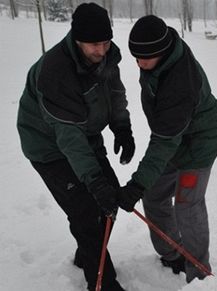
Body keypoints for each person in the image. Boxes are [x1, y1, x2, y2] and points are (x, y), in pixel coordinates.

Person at [17, 3, 134, 291]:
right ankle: (102, 282)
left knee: (110, 202)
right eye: (94, 44)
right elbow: (68, 137)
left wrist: (122, 128)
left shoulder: (106, 58)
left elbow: (115, 92)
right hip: (49, 148)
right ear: (77, 38)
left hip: (86, 136)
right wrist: (94, 181)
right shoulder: (55, 72)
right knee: (87, 212)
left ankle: (88, 252)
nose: (102, 50)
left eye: (106, 42)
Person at [117, 15, 217, 284]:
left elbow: (164, 140)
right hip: (175, 139)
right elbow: (166, 136)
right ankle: (172, 252)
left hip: (199, 143)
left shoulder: (180, 82)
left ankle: (201, 276)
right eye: (136, 57)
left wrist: (136, 183)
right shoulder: (160, 57)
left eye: (144, 58)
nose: (139, 64)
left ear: (161, 52)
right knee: (154, 195)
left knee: (187, 205)